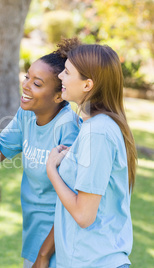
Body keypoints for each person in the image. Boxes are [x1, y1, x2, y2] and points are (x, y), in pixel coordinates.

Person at [0, 38, 82, 268]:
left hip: (61, 243)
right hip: (36, 236)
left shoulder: (68, 129)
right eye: (27, 76)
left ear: (60, 95)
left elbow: (74, 205)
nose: (26, 85)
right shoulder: (27, 115)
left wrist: (43, 255)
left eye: (37, 83)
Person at [47, 44, 137, 268]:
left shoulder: (97, 132)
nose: (60, 76)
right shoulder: (96, 127)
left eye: (67, 72)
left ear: (88, 84)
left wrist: (52, 171)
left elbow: (83, 215)